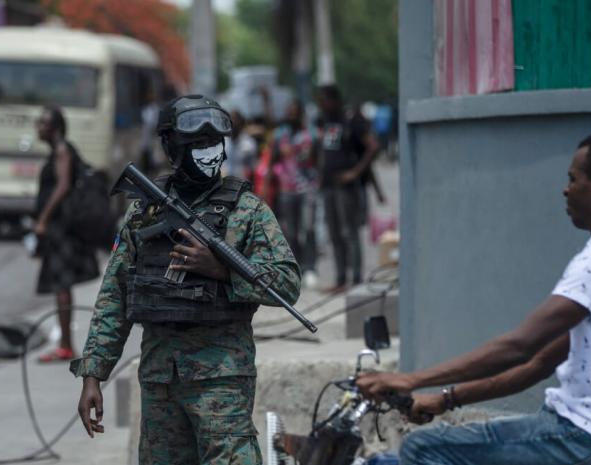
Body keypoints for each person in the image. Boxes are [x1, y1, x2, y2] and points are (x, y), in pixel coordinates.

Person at [357, 133, 591, 465]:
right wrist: (445, 398)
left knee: (422, 449)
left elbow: (519, 346)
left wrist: (409, 379)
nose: (565, 189)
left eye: (572, 178)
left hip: (590, 440)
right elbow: (537, 363)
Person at [71, 94, 301, 464]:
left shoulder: (247, 210)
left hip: (221, 380)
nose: (209, 153)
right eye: (197, 145)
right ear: (172, 148)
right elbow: (114, 294)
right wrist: (93, 374)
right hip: (161, 380)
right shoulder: (144, 211)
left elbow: (287, 283)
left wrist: (224, 270)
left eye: (214, 144)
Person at [33, 103, 100, 363]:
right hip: (60, 228)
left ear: (56, 128)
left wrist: (43, 219)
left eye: (43, 123)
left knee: (62, 283)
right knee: (61, 284)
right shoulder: (59, 151)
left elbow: (61, 187)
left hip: (63, 229)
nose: (39, 128)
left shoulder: (62, 151)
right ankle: (65, 343)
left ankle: (65, 346)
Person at [314, 85, 378, 292]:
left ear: (334, 100)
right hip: (328, 184)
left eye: (324, 100)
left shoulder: (350, 120)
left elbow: (372, 146)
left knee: (349, 232)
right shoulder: (324, 120)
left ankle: (356, 278)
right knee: (334, 233)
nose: (321, 105)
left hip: (346, 185)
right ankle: (341, 278)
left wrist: (355, 172)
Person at [271, 99, 319, 288]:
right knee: (290, 230)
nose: (291, 116)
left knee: (308, 228)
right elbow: (272, 158)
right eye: (288, 112)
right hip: (286, 188)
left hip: (308, 188)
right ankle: (295, 267)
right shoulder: (280, 134)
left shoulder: (311, 133)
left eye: (294, 112)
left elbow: (318, 158)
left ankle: (311, 268)